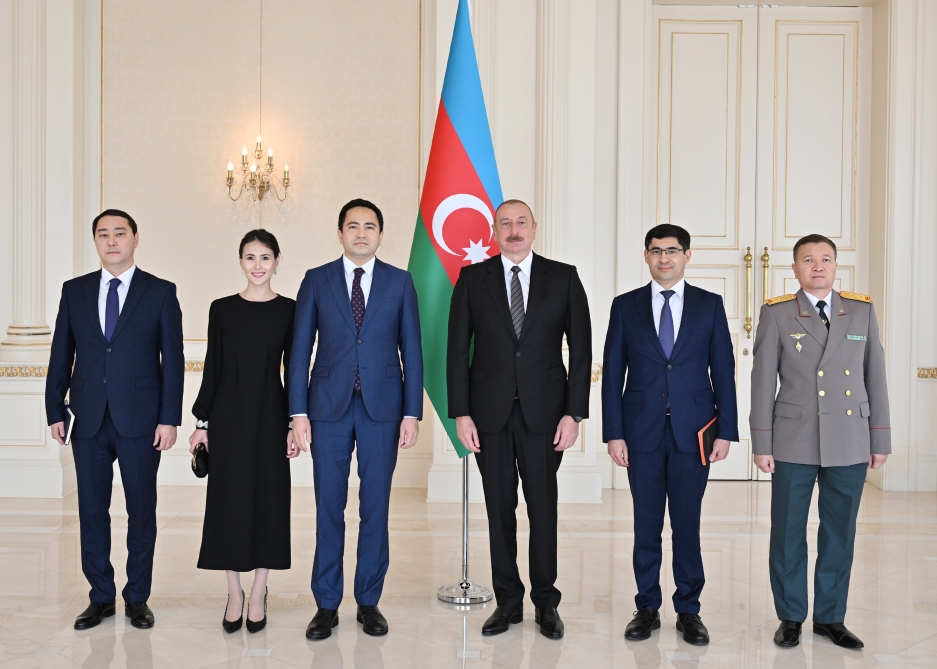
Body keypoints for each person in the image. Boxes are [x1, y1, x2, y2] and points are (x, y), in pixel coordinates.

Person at [447, 199, 591, 640]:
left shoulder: (563, 277)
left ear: (534, 228)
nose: (514, 230)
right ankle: (507, 601)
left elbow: (582, 351)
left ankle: (546, 602)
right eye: (505, 223)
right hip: (487, 415)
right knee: (499, 508)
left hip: (545, 415)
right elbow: (456, 351)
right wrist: (461, 413)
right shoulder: (472, 279)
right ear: (494, 231)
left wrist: (574, 413)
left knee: (542, 508)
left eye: (521, 222)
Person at [290, 199, 423, 640]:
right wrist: (298, 412)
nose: (361, 233)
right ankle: (326, 604)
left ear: (381, 235)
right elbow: (299, 350)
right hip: (327, 409)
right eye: (353, 226)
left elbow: (412, 349)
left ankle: (368, 600)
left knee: (375, 507)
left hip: (383, 409)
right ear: (340, 233)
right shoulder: (316, 279)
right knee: (328, 506)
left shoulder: (400, 282)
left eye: (369, 226)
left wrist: (411, 412)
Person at [45, 209, 184, 630]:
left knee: (141, 511)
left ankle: (137, 597)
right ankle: (101, 596)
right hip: (87, 419)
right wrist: (54, 410)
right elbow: (60, 353)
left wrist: (169, 418)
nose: (111, 241)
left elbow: (173, 360)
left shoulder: (160, 292)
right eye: (103, 234)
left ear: (135, 239)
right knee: (91, 511)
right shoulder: (75, 291)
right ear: (95, 241)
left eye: (119, 233)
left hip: (141, 420)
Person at [751, 234, 890, 650]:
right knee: (788, 532)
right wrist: (762, 443)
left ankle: (830, 617)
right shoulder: (777, 313)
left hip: (849, 438)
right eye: (808, 260)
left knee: (839, 533)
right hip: (793, 438)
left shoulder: (861, 311)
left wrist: (879, 437)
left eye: (825, 259)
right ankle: (791, 616)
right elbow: (762, 382)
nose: (817, 266)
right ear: (795, 268)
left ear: (835, 266)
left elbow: (875, 376)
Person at [601, 224, 737, 646]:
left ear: (687, 256)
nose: (664, 258)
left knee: (687, 525)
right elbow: (613, 374)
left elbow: (724, 370)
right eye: (656, 250)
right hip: (640, 432)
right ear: (646, 256)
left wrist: (726, 430)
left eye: (672, 250)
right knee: (645, 524)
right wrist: (614, 433)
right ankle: (646, 607)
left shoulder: (709, 305)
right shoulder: (625, 306)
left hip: (693, 433)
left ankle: (688, 610)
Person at [188, 229, 296, 634]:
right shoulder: (222, 309)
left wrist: (293, 423)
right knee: (228, 504)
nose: (257, 265)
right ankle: (234, 592)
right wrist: (202, 423)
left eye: (265, 257)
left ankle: (259, 591)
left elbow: (294, 370)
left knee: (269, 501)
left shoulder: (290, 310)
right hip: (227, 418)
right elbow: (212, 367)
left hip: (271, 416)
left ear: (277, 261)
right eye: (250, 257)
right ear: (240, 262)